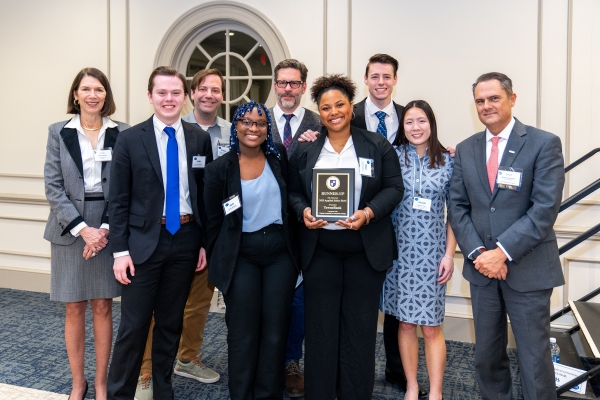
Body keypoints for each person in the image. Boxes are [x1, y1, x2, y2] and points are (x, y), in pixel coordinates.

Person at [448, 72, 565, 400]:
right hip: (482, 272)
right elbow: (457, 207)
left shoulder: (543, 143)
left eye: (494, 98)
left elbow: (544, 209)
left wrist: (501, 252)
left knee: (533, 361)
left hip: (527, 270)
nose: (487, 106)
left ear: (512, 99)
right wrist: (478, 254)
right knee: (487, 357)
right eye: (480, 101)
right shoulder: (466, 149)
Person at [288, 74, 404, 400]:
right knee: (321, 330)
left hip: (364, 252)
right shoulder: (307, 148)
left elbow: (395, 188)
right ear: (319, 112)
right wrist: (304, 211)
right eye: (326, 107)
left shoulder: (377, 146)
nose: (333, 112)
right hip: (320, 250)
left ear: (351, 108)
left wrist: (368, 212)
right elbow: (293, 192)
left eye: (339, 105)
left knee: (360, 330)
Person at [106, 66, 213, 400]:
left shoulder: (199, 138)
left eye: (175, 93)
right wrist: (120, 251)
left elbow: (205, 194)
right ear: (150, 96)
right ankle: (120, 393)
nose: (169, 99)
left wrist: (204, 243)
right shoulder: (129, 139)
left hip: (185, 238)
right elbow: (118, 200)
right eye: (162, 93)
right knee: (134, 327)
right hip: (142, 244)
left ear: (185, 97)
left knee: (170, 322)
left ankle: (163, 389)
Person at [134, 68, 228, 400]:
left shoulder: (231, 132)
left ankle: (187, 357)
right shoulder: (169, 127)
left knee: (198, 302)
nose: (209, 94)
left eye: (215, 89)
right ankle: (146, 368)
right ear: (193, 93)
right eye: (203, 88)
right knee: (154, 306)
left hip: (206, 231)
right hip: (162, 231)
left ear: (222, 95)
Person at [43, 67, 129, 400]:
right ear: (75, 95)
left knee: (103, 306)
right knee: (74, 307)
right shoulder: (57, 132)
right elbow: (53, 186)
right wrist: (84, 230)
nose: (93, 95)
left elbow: (124, 186)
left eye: (99, 89)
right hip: (70, 227)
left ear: (107, 96)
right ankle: (79, 382)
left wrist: (104, 229)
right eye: (86, 89)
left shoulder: (121, 132)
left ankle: (103, 383)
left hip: (109, 223)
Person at [204, 101, 298, 399]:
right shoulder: (220, 169)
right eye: (246, 122)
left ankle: (268, 395)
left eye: (260, 123)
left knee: (274, 331)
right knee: (243, 333)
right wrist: (221, 256)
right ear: (236, 127)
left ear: (267, 129)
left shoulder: (278, 156)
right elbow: (211, 221)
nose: (253, 128)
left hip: (279, 254)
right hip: (240, 254)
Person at [380, 100, 456, 400]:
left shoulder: (449, 161)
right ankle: (411, 386)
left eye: (421, 121)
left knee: (431, 328)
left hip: (433, 256)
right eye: (409, 122)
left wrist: (449, 254)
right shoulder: (392, 157)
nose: (415, 127)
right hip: (398, 256)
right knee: (406, 324)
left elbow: (456, 213)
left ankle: (435, 392)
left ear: (431, 124)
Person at [269, 58, 322, 398]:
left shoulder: (321, 122)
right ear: (275, 85)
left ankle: (291, 361)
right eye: (282, 82)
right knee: (267, 293)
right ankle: (267, 358)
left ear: (303, 86)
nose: (288, 89)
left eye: (294, 83)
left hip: (305, 222)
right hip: (265, 223)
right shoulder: (254, 119)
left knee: (300, 297)